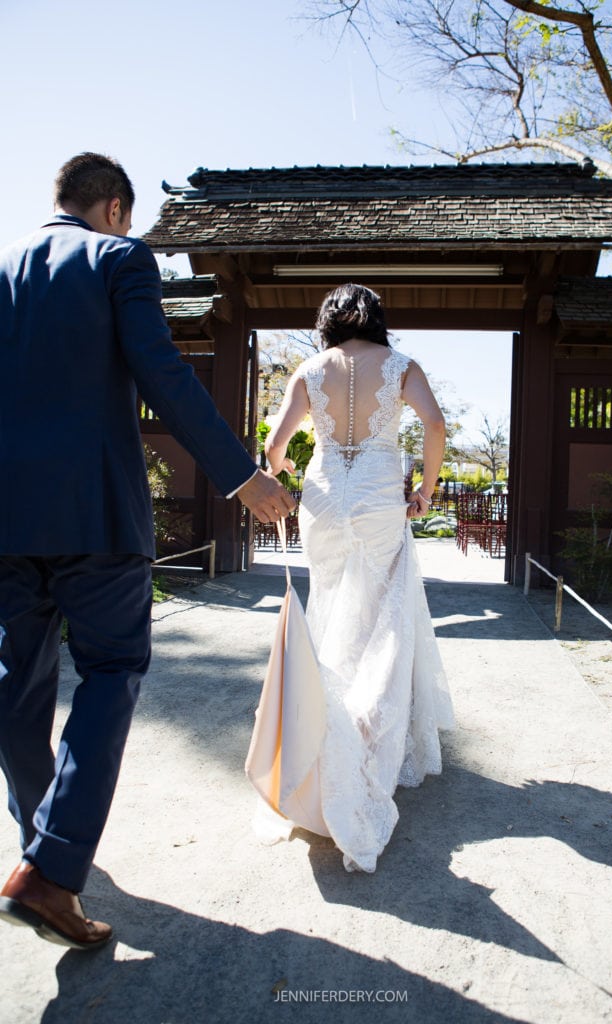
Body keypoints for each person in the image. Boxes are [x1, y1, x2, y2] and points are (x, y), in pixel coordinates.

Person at [0, 153, 294, 949]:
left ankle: (43, 841)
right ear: (117, 209)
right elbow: (160, 370)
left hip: (6, 520)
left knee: (15, 689)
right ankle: (52, 868)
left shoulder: (3, 266)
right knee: (111, 671)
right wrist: (243, 477)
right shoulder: (118, 257)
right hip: (94, 514)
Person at [264, 283, 455, 872]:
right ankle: (368, 740)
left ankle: (323, 735)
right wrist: (423, 489)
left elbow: (272, 447)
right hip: (376, 494)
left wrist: (285, 466)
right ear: (377, 320)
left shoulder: (310, 369)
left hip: (323, 496)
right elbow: (436, 425)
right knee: (382, 621)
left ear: (326, 322)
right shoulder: (400, 366)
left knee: (329, 613)